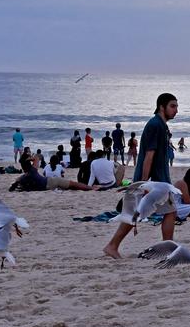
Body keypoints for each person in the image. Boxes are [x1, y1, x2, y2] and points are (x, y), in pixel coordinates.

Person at [104, 93, 179, 259]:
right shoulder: (155, 125)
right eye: (173, 106)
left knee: (167, 212)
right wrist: (145, 184)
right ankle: (112, 246)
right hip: (154, 182)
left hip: (157, 181)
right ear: (162, 106)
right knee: (154, 213)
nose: (176, 110)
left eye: (176, 106)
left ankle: (113, 246)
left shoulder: (161, 125)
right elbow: (149, 156)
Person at [11, 155, 92, 192]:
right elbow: (37, 157)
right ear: (29, 162)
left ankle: (86, 188)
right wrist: (30, 158)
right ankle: (91, 188)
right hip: (51, 182)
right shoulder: (33, 170)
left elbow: (17, 181)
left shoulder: (23, 178)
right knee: (73, 183)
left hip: (46, 186)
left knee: (70, 187)